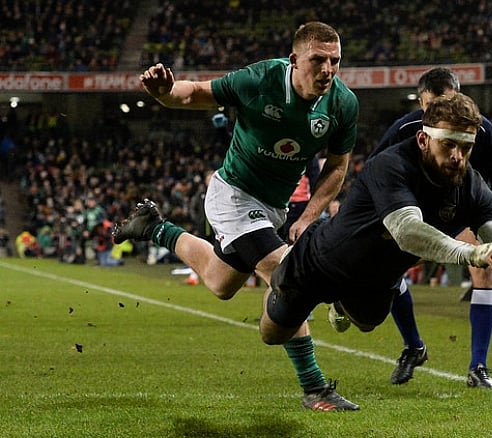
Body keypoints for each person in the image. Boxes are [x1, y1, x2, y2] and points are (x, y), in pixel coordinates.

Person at [259, 93, 492, 407]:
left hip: (377, 281)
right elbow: (408, 232)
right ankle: (280, 276)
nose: (458, 155)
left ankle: (341, 304)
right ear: (423, 140)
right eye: (449, 145)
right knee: (271, 334)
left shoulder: (471, 185)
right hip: (320, 261)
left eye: (466, 147)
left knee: (368, 323)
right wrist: (473, 253)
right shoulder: (389, 165)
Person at [113, 22, 360, 411]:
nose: (328, 70)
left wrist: (309, 215)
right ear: (295, 59)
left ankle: (155, 227)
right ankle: (314, 386)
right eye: (318, 60)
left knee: (221, 282)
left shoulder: (343, 104)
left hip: (272, 208)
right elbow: (194, 93)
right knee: (285, 272)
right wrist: (164, 92)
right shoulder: (259, 80)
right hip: (232, 195)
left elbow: (337, 167)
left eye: (335, 61)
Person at [364, 67, 492, 388]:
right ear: (421, 104)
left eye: (449, 103)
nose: (442, 112)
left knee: (485, 268)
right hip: (413, 214)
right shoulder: (404, 129)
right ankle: (413, 346)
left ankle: (479, 366)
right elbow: (375, 175)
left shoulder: (482, 130)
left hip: (462, 211)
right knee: (389, 273)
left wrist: (491, 216)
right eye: (433, 106)